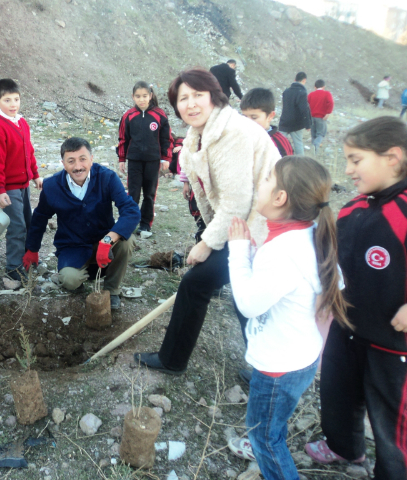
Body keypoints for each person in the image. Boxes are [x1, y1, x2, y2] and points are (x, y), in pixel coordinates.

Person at [134, 68, 280, 375]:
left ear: (214, 96)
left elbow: (237, 202)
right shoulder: (199, 135)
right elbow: (212, 196)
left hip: (266, 225)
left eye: (198, 95)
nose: (191, 104)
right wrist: (212, 236)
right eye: (183, 98)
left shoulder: (233, 133)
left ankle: (268, 367)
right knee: (215, 287)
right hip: (243, 223)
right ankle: (177, 359)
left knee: (225, 289)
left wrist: (207, 243)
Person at [225, 156, 349, 480]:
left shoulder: (284, 251)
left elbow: (250, 304)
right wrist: (254, 257)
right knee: (271, 425)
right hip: (299, 357)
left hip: (278, 367)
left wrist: (238, 252)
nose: (260, 182)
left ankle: (267, 452)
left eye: (267, 178)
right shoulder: (307, 233)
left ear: (280, 198)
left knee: (265, 436)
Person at [305, 117, 407, 479]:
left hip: (392, 341)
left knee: (390, 417)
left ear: (392, 157)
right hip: (347, 325)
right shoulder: (355, 208)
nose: (347, 170)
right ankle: (344, 447)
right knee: (338, 392)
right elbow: (325, 249)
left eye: (356, 160)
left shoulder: (404, 211)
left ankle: (393, 470)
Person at [23, 137, 140, 310]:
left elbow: (131, 211)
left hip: (105, 242)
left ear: (91, 159)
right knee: (69, 280)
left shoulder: (107, 177)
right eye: (71, 161)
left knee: (126, 242)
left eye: (82, 159)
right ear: (63, 163)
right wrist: (32, 249)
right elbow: (40, 217)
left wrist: (108, 240)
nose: (78, 166)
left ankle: (112, 290)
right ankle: (81, 280)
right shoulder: (51, 186)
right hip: (73, 246)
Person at [0, 78, 42, 282]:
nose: (13, 104)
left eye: (16, 99)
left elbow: (29, 151)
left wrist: (35, 174)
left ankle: (28, 257)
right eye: (7, 100)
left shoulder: (22, 122)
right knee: (16, 226)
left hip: (25, 185)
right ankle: (14, 268)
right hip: (9, 188)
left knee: (28, 221)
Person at [118, 81, 172, 235]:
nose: (141, 99)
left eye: (144, 96)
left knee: (149, 193)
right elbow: (123, 139)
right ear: (133, 97)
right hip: (134, 160)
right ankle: (129, 222)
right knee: (133, 193)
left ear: (150, 96)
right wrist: (122, 159)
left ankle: (145, 224)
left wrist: (165, 158)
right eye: (138, 96)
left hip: (152, 161)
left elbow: (166, 139)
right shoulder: (128, 115)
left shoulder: (159, 115)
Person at [240, 88, 294, 158]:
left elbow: (287, 167)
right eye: (244, 116)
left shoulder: (279, 144)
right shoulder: (239, 137)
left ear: (270, 116)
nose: (248, 122)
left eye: (254, 117)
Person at [279, 72, 312, 155]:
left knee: (279, 142)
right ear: (304, 80)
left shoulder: (286, 91)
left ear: (294, 80)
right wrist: (308, 124)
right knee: (298, 143)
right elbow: (304, 110)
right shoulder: (302, 92)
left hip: (284, 121)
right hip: (297, 123)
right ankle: (300, 163)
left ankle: (277, 160)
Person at [307, 80, 334, 155]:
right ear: (324, 87)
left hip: (312, 117)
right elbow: (331, 102)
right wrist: (328, 113)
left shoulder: (310, 94)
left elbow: (306, 105)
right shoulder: (327, 94)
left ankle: (314, 153)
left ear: (315, 87)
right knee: (321, 134)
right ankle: (316, 144)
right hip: (321, 117)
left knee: (313, 135)